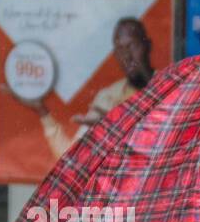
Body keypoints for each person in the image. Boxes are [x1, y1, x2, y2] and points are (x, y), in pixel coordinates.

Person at [32, 17, 156, 160]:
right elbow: (70, 159)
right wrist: (42, 112)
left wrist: (114, 129)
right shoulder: (107, 98)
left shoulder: (171, 90)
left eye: (131, 46)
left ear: (148, 46)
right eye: (120, 50)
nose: (127, 56)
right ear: (115, 55)